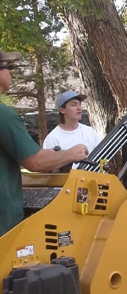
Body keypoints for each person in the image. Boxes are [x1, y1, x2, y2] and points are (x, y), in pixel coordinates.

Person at [0, 49, 88, 236]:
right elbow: (36, 162)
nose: (12, 72)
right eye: (9, 67)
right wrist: (71, 154)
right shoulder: (5, 118)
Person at [43, 90, 101, 165]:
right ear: (62, 110)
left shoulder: (90, 132)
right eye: (74, 105)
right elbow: (49, 167)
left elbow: (101, 159)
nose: (79, 108)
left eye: (80, 104)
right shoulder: (52, 139)